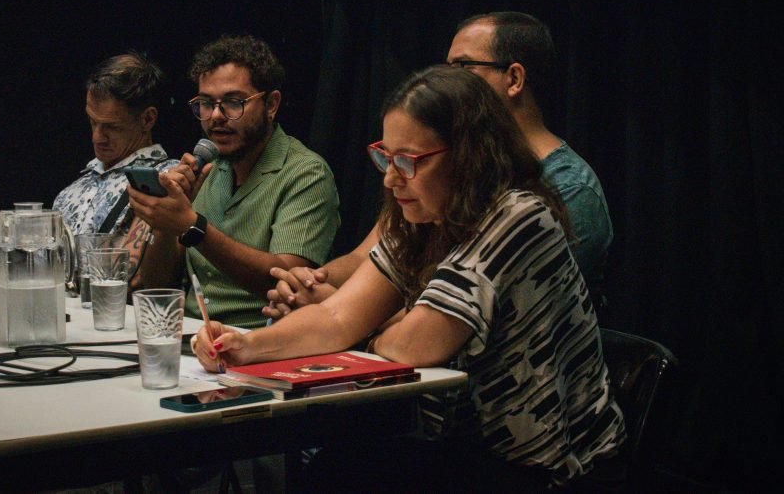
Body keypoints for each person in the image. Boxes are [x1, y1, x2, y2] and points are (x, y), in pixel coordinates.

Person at [194, 65, 626, 492]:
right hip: (463, 448)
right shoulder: (422, 219)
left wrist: (375, 326)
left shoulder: (517, 215)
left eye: (407, 161)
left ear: (468, 156)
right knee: (337, 468)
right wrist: (243, 345)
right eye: (385, 156)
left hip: (548, 467)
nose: (390, 176)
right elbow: (335, 316)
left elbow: (415, 344)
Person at [266, 11, 613, 318]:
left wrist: (339, 311)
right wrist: (309, 285)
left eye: (462, 67)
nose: (446, 80)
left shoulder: (566, 188)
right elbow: (366, 258)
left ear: (514, 79)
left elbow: (472, 316)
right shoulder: (453, 169)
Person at [129, 34, 340, 329]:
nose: (216, 116)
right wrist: (167, 223)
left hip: (261, 338)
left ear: (271, 104)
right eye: (205, 103)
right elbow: (155, 283)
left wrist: (193, 226)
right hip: (193, 333)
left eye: (233, 102)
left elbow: (290, 282)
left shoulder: (306, 173)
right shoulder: (208, 167)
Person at [51, 52, 178, 285]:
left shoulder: (169, 180)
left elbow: (139, 281)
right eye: (92, 122)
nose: (97, 137)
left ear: (148, 119)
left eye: (111, 127)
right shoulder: (71, 192)